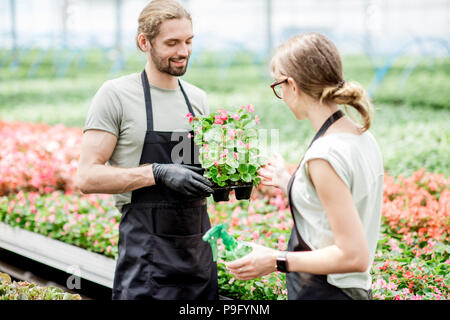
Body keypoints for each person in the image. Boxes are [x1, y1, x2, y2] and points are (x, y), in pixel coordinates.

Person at [76, 0, 218, 300]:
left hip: (198, 260)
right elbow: (87, 178)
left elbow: (202, 172)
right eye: (172, 42)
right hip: (146, 263)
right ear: (145, 42)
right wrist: (157, 172)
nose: (183, 51)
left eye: (189, 41)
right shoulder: (116, 95)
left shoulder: (197, 100)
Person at [226, 32, 384, 300]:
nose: (282, 95)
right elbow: (337, 203)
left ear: (292, 84)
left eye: (279, 86)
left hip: (328, 293)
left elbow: (353, 255)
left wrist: (275, 260)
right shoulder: (361, 137)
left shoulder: (324, 156)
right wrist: (288, 181)